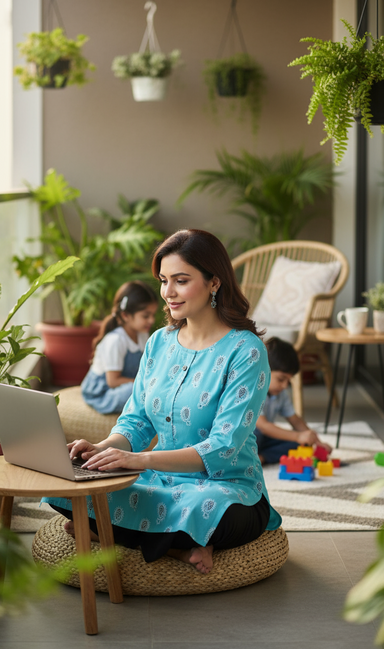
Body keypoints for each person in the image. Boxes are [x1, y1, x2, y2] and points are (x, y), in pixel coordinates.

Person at [44, 229, 282, 575]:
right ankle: (175, 546)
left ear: (214, 282)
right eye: (164, 280)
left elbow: (223, 447)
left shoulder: (246, 351)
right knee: (66, 491)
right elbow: (136, 421)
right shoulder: (159, 342)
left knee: (207, 508)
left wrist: (139, 459)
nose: (168, 292)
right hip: (159, 483)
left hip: (226, 488)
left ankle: (115, 533)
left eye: (181, 281)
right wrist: (102, 449)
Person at [81, 281, 158, 414]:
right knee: (138, 392)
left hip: (128, 384)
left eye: (153, 315)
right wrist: (143, 384)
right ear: (125, 315)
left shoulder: (142, 334)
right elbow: (113, 381)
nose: (151, 320)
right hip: (103, 393)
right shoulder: (115, 340)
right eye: (146, 316)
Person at [254, 337, 332, 464]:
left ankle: (261, 458)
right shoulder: (254, 390)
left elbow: (295, 420)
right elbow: (263, 427)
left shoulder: (281, 394)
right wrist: (298, 436)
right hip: (247, 439)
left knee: (301, 444)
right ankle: (250, 457)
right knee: (256, 433)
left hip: (263, 440)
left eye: (288, 381)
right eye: (281, 379)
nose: (285, 385)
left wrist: (317, 442)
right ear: (263, 370)